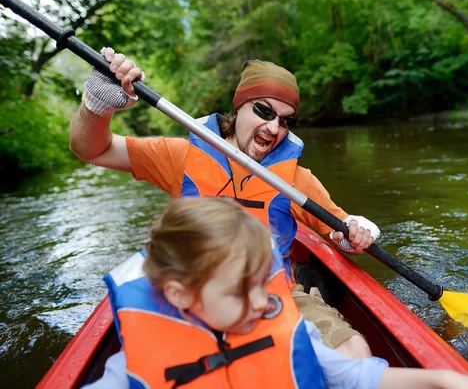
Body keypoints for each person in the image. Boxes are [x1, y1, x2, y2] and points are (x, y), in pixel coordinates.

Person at [70, 47, 380, 358]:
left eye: (286, 121)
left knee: (353, 348)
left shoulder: (297, 180)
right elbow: (93, 150)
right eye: (264, 111)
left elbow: (340, 227)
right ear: (240, 106)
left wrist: (356, 232)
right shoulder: (181, 157)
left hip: (274, 293)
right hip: (194, 293)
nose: (274, 128)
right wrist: (98, 106)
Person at [85, 197, 468, 389]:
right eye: (240, 291)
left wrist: (444, 380)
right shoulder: (127, 373)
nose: (264, 303)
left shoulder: (285, 329)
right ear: (179, 294)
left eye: (262, 283)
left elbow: (354, 376)